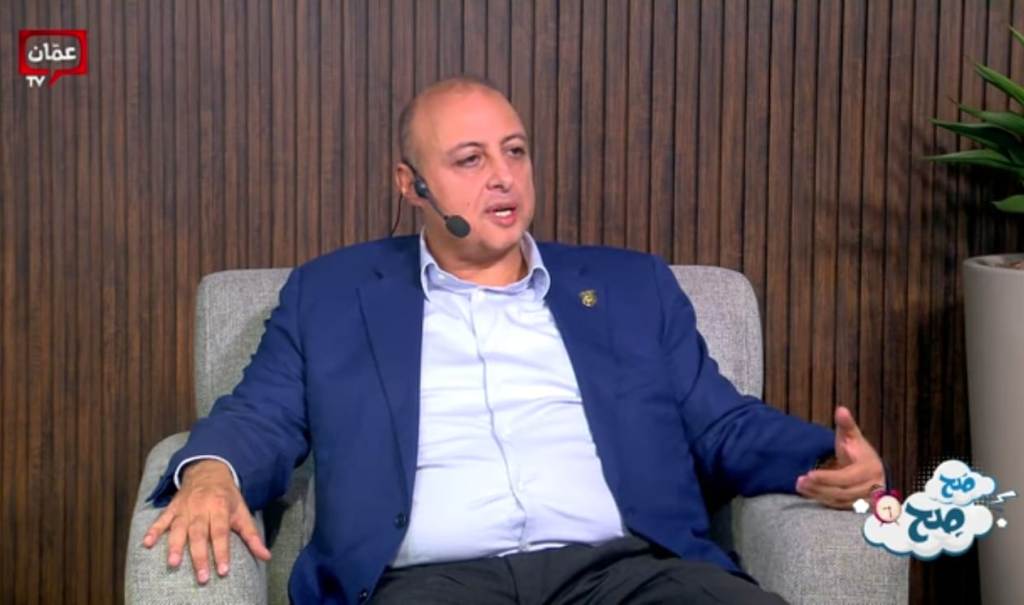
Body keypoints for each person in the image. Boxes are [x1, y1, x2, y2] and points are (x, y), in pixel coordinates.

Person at [142, 75, 885, 604]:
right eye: (470, 160)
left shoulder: (631, 287)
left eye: (516, 151)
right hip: (427, 583)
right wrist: (211, 474)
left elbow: (722, 423)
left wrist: (824, 458)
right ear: (412, 184)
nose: (503, 178)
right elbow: (260, 414)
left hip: (627, 574)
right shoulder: (332, 294)